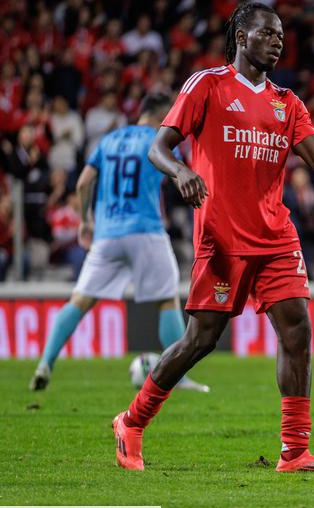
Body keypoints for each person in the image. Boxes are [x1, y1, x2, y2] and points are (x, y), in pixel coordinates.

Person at [112, 1, 314, 474]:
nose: (278, 40)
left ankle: (295, 452)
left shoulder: (287, 102)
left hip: (275, 236)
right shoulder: (207, 85)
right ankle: (131, 421)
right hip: (222, 237)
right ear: (241, 36)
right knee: (200, 340)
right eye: (268, 32)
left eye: (281, 34)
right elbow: (159, 147)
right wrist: (180, 172)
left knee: (298, 330)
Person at [30, 93, 207, 394]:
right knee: (166, 299)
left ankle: (45, 363)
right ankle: (180, 378)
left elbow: (84, 182)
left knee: (80, 300)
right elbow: (178, 175)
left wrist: (86, 220)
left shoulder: (108, 140)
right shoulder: (158, 139)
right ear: (162, 115)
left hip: (107, 233)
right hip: (145, 230)